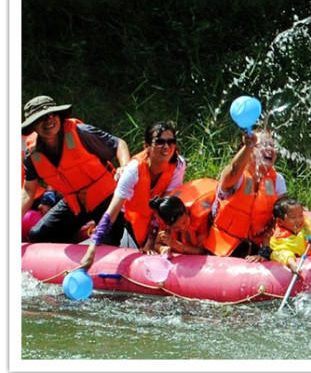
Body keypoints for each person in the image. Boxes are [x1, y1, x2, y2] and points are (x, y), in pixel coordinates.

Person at [21, 95, 130, 243]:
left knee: (107, 241)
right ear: (33, 126)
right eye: (41, 119)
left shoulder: (81, 132)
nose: (48, 121)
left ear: (59, 116)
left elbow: (118, 144)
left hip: (106, 199)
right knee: (37, 235)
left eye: (51, 115)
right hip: (75, 203)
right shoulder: (32, 155)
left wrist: (124, 167)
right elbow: (28, 190)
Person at [79, 122, 186, 268]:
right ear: (147, 146)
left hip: (152, 219)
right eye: (159, 142)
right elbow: (111, 213)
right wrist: (91, 252)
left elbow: (162, 210)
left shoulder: (178, 165)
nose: (166, 147)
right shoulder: (133, 170)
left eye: (171, 141)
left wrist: (151, 240)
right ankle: (89, 239)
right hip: (126, 218)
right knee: (110, 241)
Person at [206, 130, 287, 256]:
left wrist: (265, 251)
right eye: (263, 145)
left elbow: (279, 219)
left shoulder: (277, 180)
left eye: (271, 145)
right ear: (250, 150)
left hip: (257, 249)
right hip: (223, 250)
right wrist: (248, 145)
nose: (269, 149)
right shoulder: (237, 176)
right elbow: (233, 170)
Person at [148, 177, 219, 254]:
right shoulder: (166, 218)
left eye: (184, 222)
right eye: (176, 227)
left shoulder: (200, 219)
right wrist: (162, 249)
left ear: (186, 211)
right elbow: (157, 244)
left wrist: (176, 245)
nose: (182, 228)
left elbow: (203, 251)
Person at [269, 196, 311, 272]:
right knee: (276, 253)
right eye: (293, 217)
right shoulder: (279, 238)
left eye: (301, 215)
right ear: (280, 221)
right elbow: (280, 252)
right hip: (294, 259)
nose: (299, 220)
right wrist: (290, 261)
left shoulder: (307, 225)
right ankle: (292, 264)